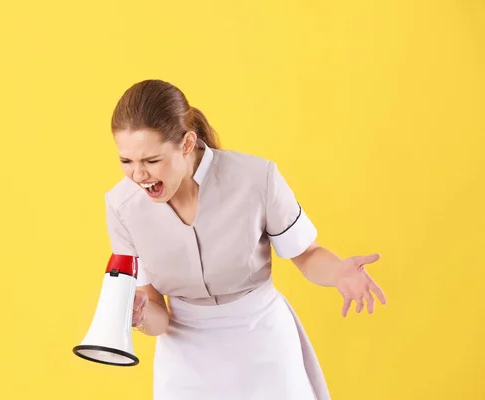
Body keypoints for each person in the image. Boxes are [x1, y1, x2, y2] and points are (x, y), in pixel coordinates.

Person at [103, 79, 387, 400]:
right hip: (186, 363)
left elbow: (306, 254)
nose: (138, 175)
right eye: (126, 161)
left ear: (186, 143)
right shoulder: (122, 207)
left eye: (151, 161)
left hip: (263, 345)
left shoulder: (256, 179)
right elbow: (158, 315)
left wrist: (338, 273)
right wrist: (140, 315)